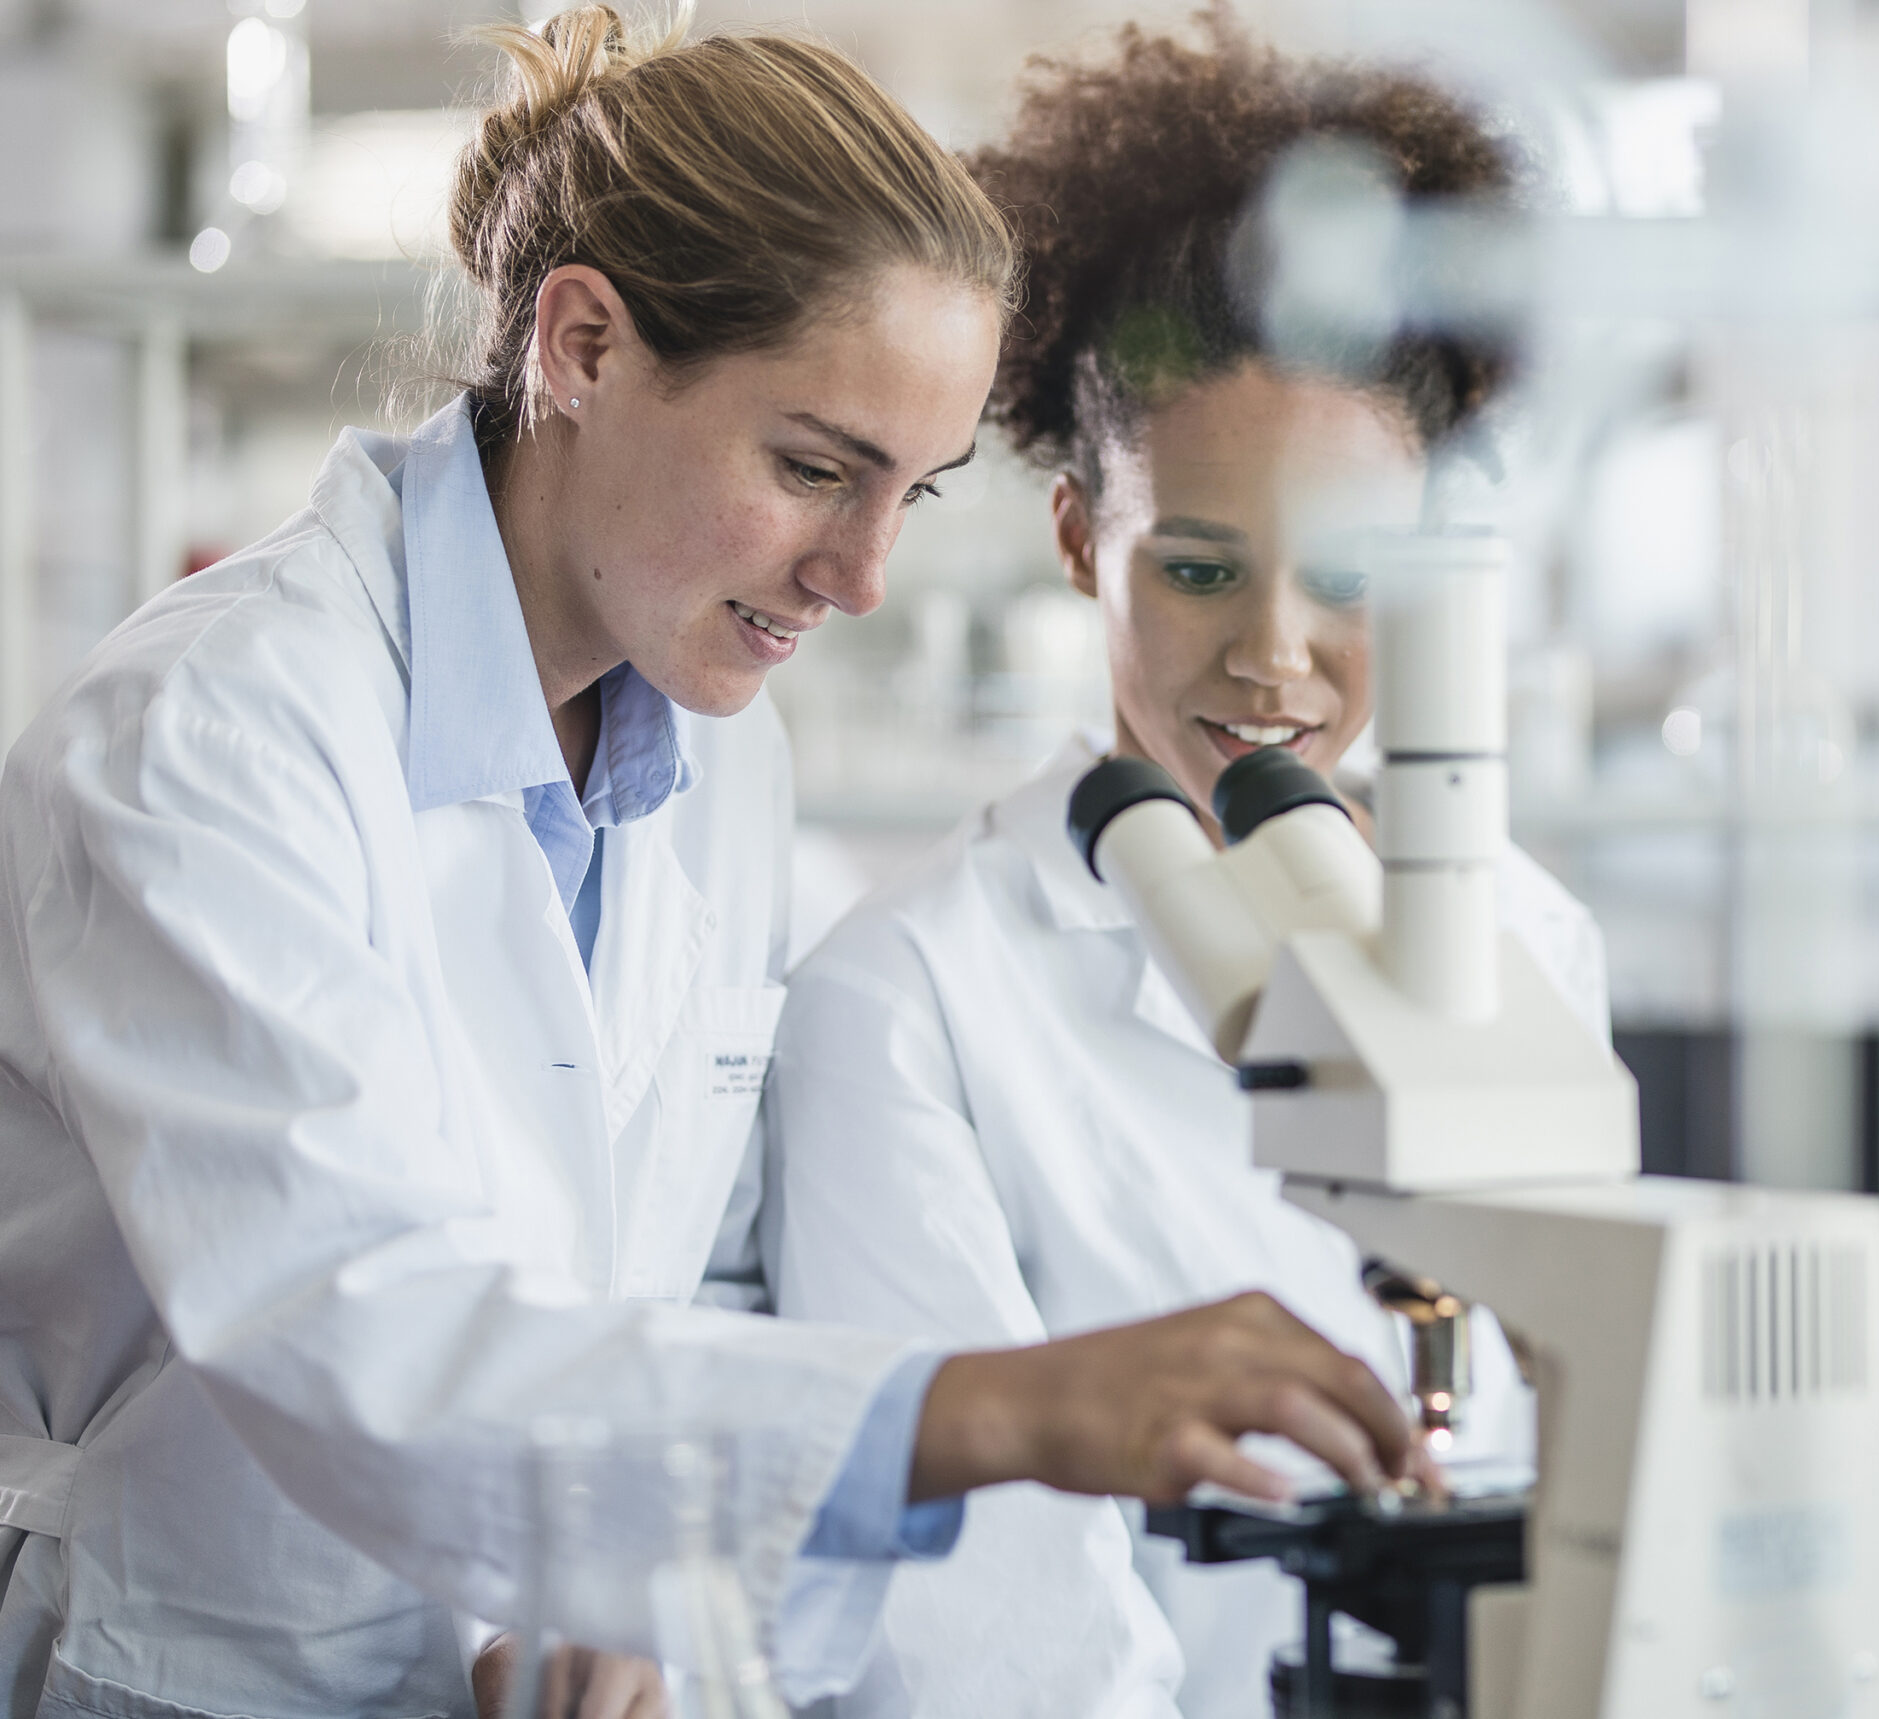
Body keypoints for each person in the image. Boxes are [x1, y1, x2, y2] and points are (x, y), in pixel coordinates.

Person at [0, 14, 1422, 1718]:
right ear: (584, 345)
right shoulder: (210, 737)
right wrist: (1004, 1404)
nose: (863, 573)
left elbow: (700, 1267)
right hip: (197, 1666)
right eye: (815, 468)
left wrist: (650, 1593)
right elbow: (359, 1326)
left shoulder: (715, 742)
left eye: (911, 491)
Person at [763, 18, 1608, 1718]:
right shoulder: (909, 995)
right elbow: (993, 1629)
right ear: (1083, 537)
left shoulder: (1525, 934)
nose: (1274, 655)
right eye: (1202, 568)